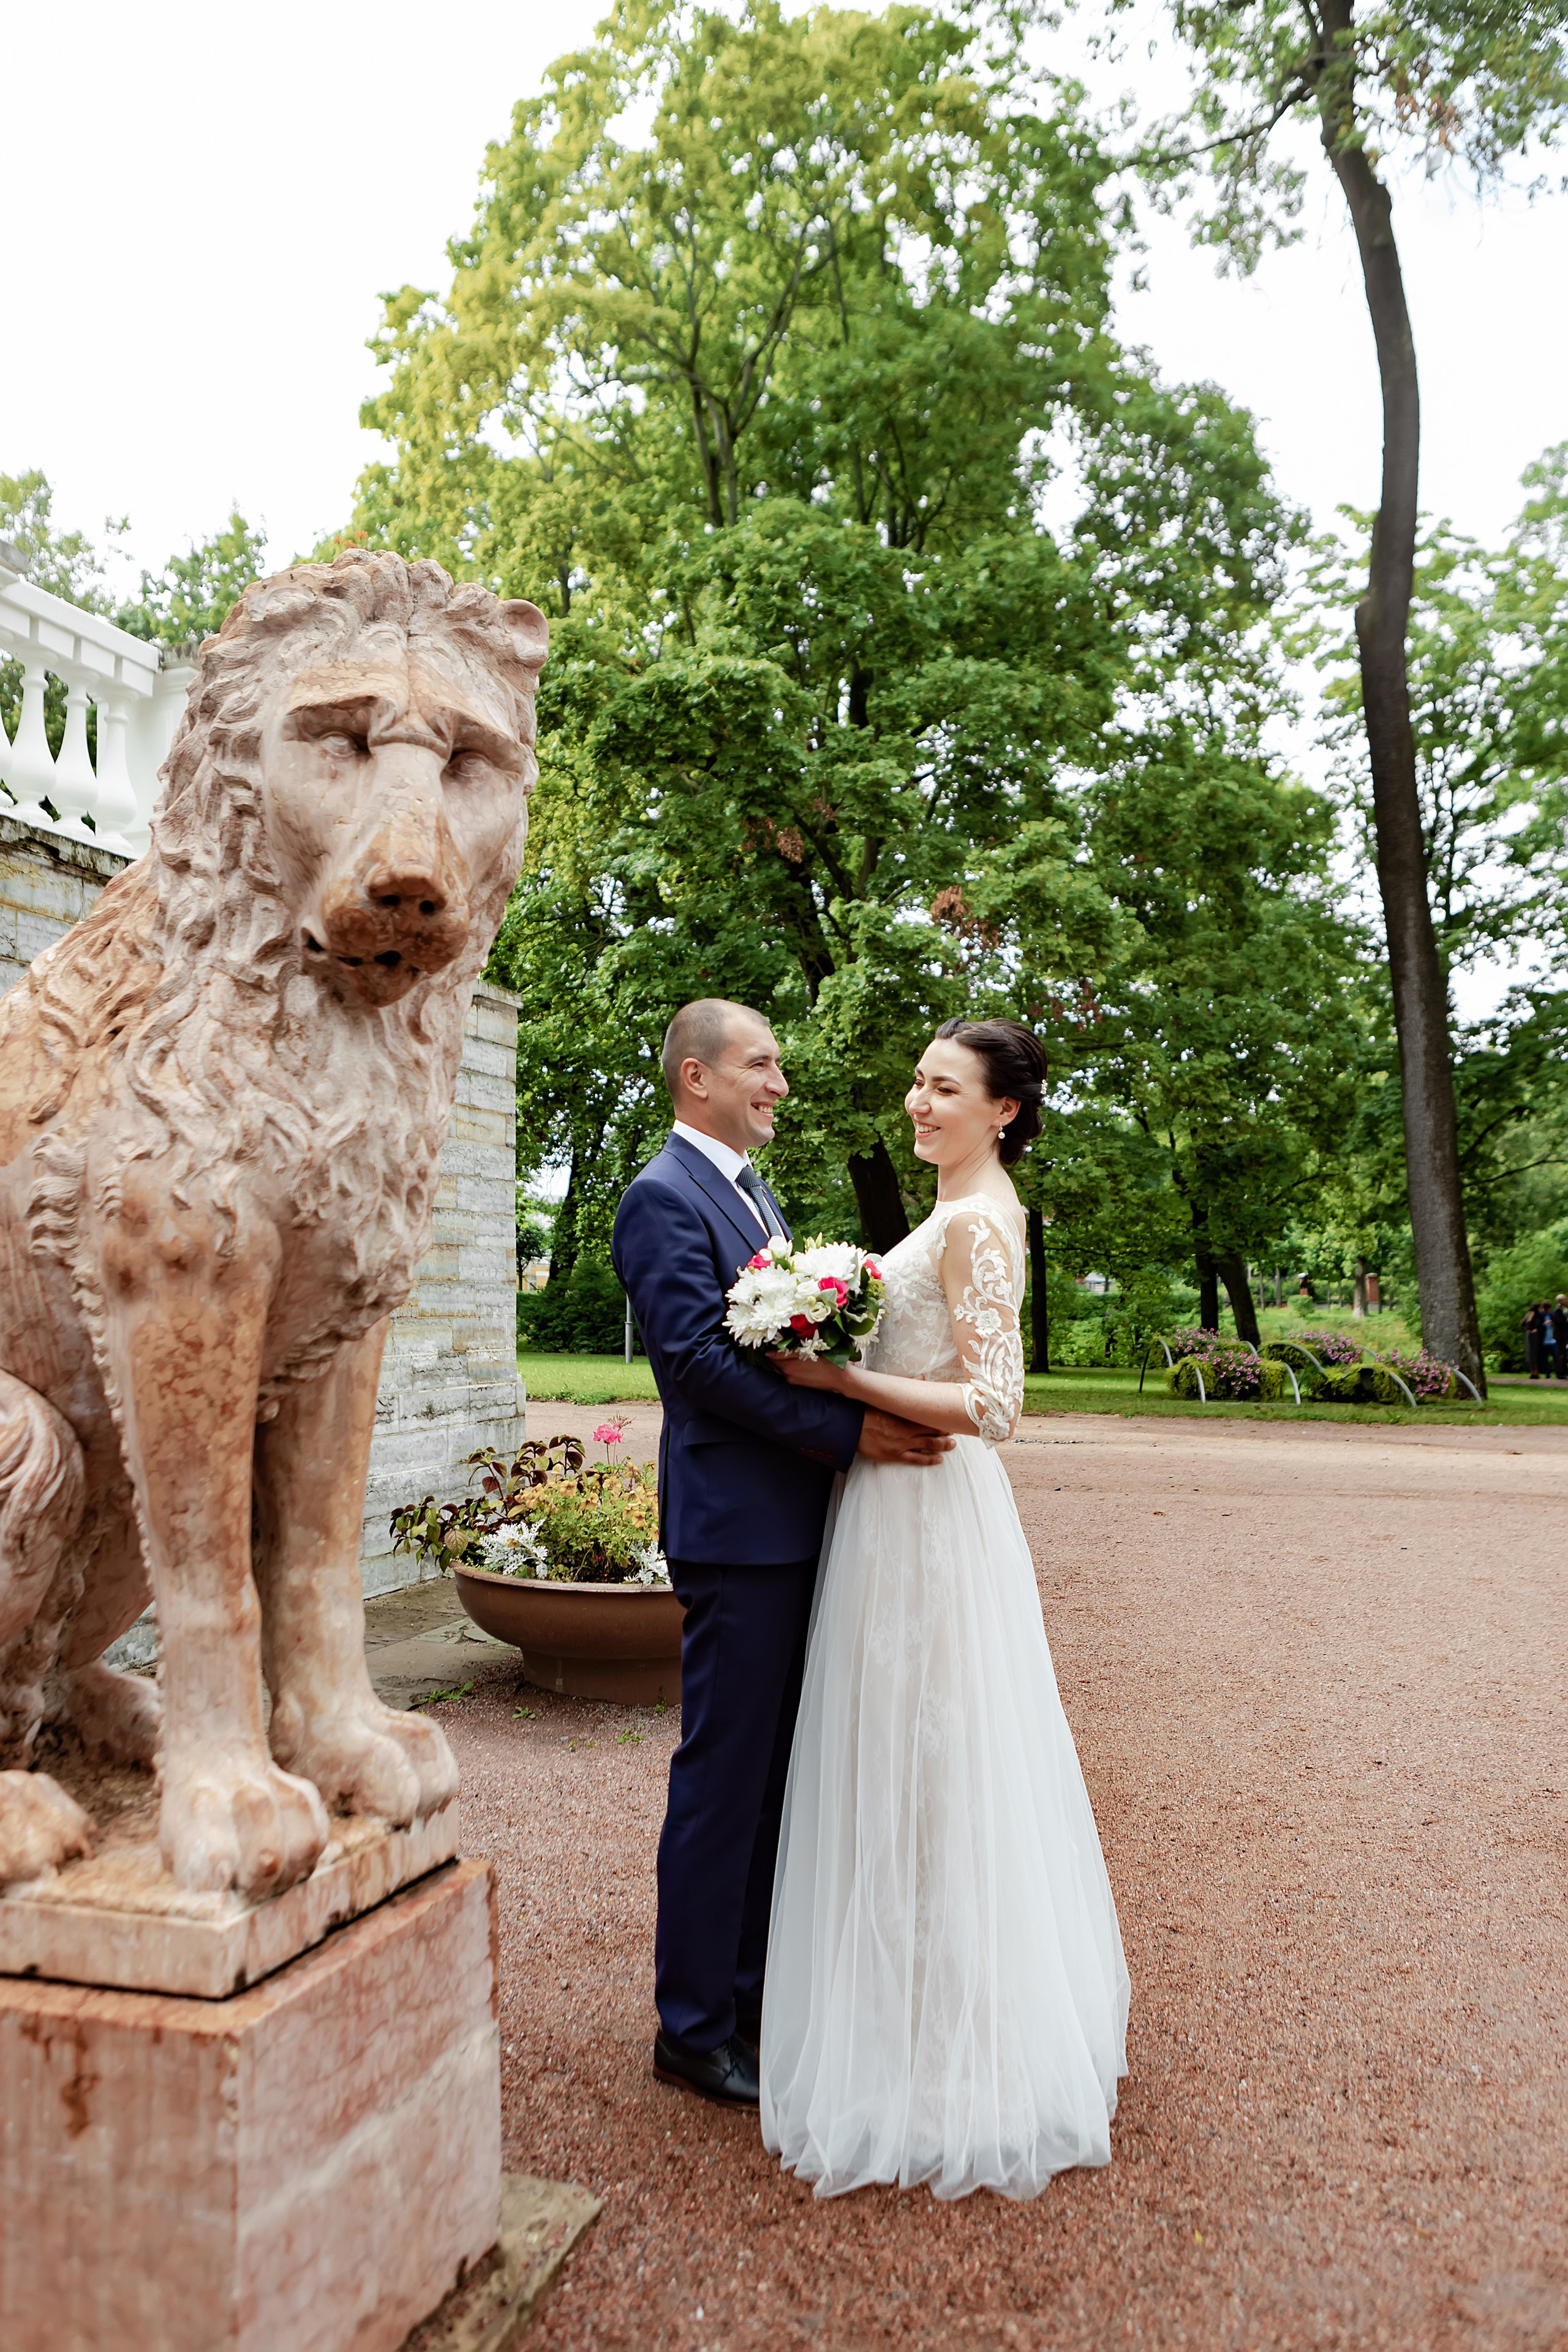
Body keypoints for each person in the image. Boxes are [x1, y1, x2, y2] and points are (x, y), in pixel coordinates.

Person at [760, 1017, 1129, 2200]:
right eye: (917, 1081)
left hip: (929, 1514)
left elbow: (999, 1405)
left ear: (1003, 1111)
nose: (920, 1102)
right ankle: (908, 2008)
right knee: (909, 1757)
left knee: (935, 1758)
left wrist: (836, 1376)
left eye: (946, 1088)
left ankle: (950, 2050)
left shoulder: (977, 1222)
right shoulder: (960, 1208)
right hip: (896, 1507)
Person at [611, 999, 955, 2111]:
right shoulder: (660, 1199)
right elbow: (702, 1366)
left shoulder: (752, 1192)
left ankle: (753, 1991)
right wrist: (851, 1432)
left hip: (802, 1522)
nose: (780, 1083)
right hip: (740, 1536)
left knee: (782, 1781)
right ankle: (693, 2026)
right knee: (726, 1780)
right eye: (762, 1064)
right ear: (696, 1077)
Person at [1524, 1302, 1545, 1379]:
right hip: (1534, 1335)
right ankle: (1535, 1372)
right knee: (1534, 1353)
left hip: (1529, 1334)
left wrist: (1527, 1329)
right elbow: (1529, 1322)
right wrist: (1533, 1329)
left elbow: (1523, 1324)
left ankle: (1532, 1372)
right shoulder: (1535, 1314)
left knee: (1530, 1353)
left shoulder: (1528, 1313)